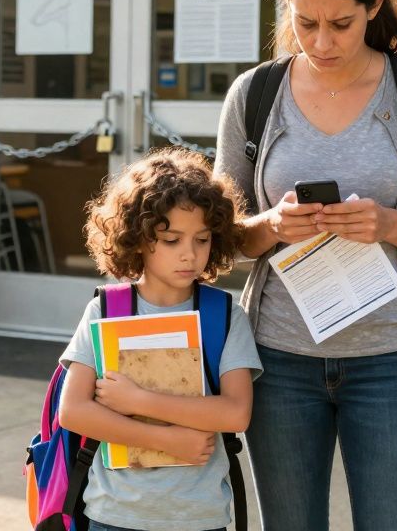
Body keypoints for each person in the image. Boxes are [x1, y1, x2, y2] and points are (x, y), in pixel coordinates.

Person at [214, 0, 397, 530]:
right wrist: (273, 224)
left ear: (375, 6)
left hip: (391, 362)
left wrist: (388, 224)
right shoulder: (254, 95)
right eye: (306, 23)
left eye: (341, 24)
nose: (321, 42)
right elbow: (220, 244)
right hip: (278, 363)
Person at [58, 148, 261, 531]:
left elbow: (236, 412)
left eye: (202, 239)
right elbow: (73, 412)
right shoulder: (106, 310)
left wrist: (140, 401)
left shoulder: (222, 315)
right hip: (112, 514)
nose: (190, 255)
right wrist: (165, 439)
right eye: (172, 240)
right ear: (136, 240)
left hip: (198, 518)